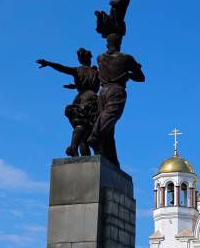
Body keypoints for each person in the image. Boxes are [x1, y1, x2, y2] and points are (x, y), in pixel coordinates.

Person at [89, 34, 145, 167]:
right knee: (109, 118)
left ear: (107, 44)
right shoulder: (127, 58)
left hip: (102, 92)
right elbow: (141, 77)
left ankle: (111, 159)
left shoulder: (100, 58)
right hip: (116, 90)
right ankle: (95, 136)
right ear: (120, 43)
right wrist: (130, 73)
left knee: (109, 127)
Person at [37, 48, 100, 156]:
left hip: (80, 97)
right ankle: (74, 147)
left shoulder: (78, 70)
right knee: (86, 126)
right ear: (89, 59)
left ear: (80, 59)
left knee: (82, 126)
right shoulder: (96, 72)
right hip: (91, 98)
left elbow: (61, 67)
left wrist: (49, 63)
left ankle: (76, 149)